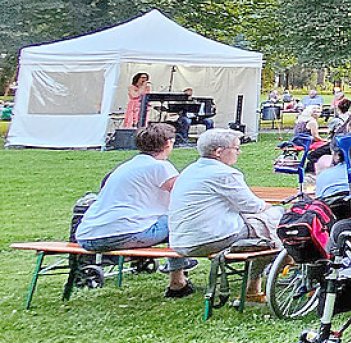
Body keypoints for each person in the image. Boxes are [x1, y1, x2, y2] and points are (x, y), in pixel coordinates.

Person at [74, 123, 195, 297]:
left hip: (88, 235)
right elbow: (185, 195)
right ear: (168, 143)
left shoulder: (126, 166)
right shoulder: (160, 167)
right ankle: (177, 280)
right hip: (124, 234)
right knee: (179, 221)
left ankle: (181, 268)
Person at [167, 129, 280, 299]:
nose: (239, 153)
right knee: (276, 226)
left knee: (263, 224)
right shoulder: (224, 173)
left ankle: (255, 286)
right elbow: (252, 205)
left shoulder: (189, 170)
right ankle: (253, 287)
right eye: (236, 148)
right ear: (219, 152)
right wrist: (272, 208)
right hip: (210, 239)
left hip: (180, 241)